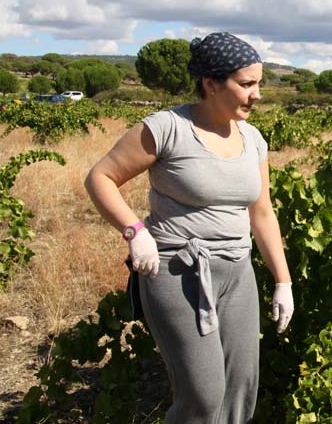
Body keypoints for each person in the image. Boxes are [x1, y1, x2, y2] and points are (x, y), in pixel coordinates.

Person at [85, 32, 293, 423]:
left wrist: (283, 281)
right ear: (211, 84)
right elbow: (100, 178)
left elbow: (262, 213)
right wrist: (135, 232)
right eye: (247, 84)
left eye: (259, 83)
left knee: (241, 389)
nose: (258, 94)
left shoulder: (253, 139)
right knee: (203, 394)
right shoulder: (167, 128)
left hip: (237, 272)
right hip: (179, 272)